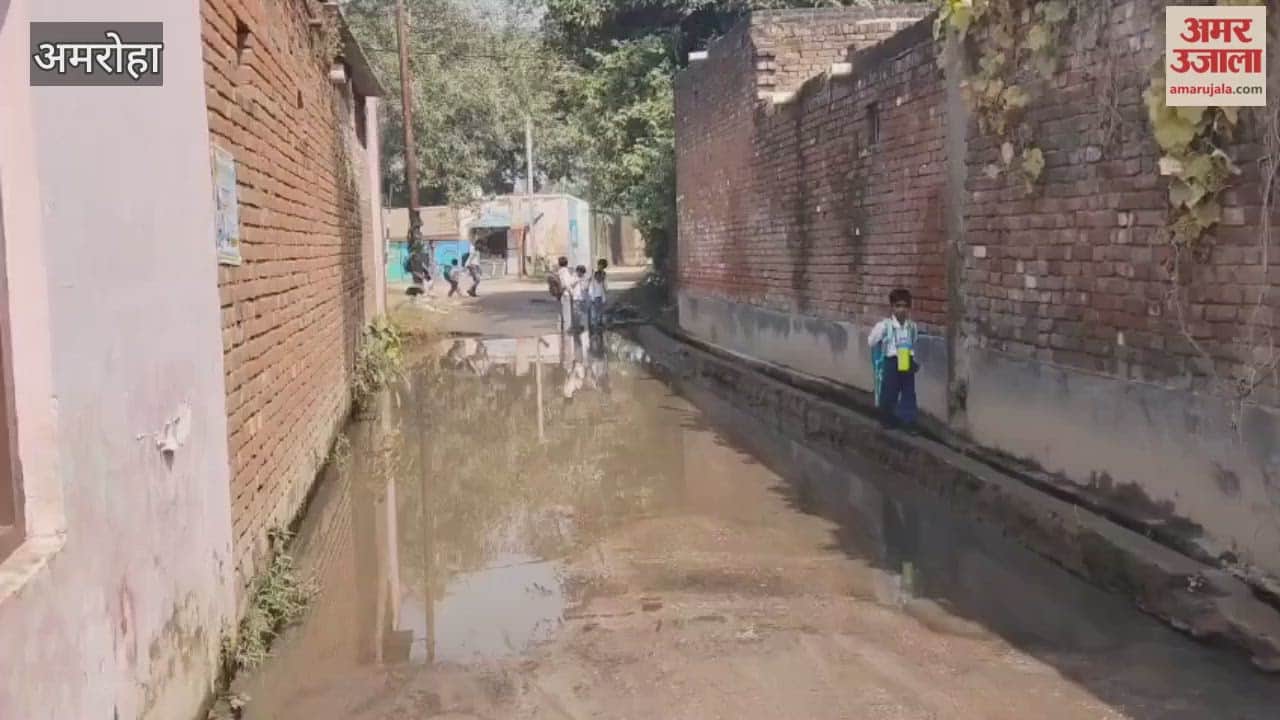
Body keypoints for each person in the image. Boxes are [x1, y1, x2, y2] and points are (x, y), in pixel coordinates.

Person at [868, 288, 920, 432]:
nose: (901, 310)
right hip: (891, 360)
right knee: (889, 391)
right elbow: (871, 341)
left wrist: (911, 360)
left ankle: (908, 422)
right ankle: (887, 418)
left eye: (905, 306)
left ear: (909, 308)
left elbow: (913, 341)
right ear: (892, 307)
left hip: (905, 357)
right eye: (898, 306)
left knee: (908, 391)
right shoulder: (884, 326)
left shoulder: (911, 326)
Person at [556, 257, 576, 333]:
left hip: (560, 294)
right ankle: (566, 331)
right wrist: (571, 292)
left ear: (559, 263)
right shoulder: (565, 272)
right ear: (566, 263)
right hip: (565, 294)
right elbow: (567, 284)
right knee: (567, 315)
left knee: (561, 313)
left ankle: (559, 331)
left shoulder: (559, 272)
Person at [573, 265, 590, 332]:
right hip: (576, 297)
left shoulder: (585, 279)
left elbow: (585, 288)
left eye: (581, 272)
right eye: (578, 272)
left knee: (583, 312)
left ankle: (582, 326)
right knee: (577, 312)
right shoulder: (574, 278)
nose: (579, 273)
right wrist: (576, 281)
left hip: (583, 298)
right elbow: (570, 285)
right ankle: (577, 326)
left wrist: (585, 282)